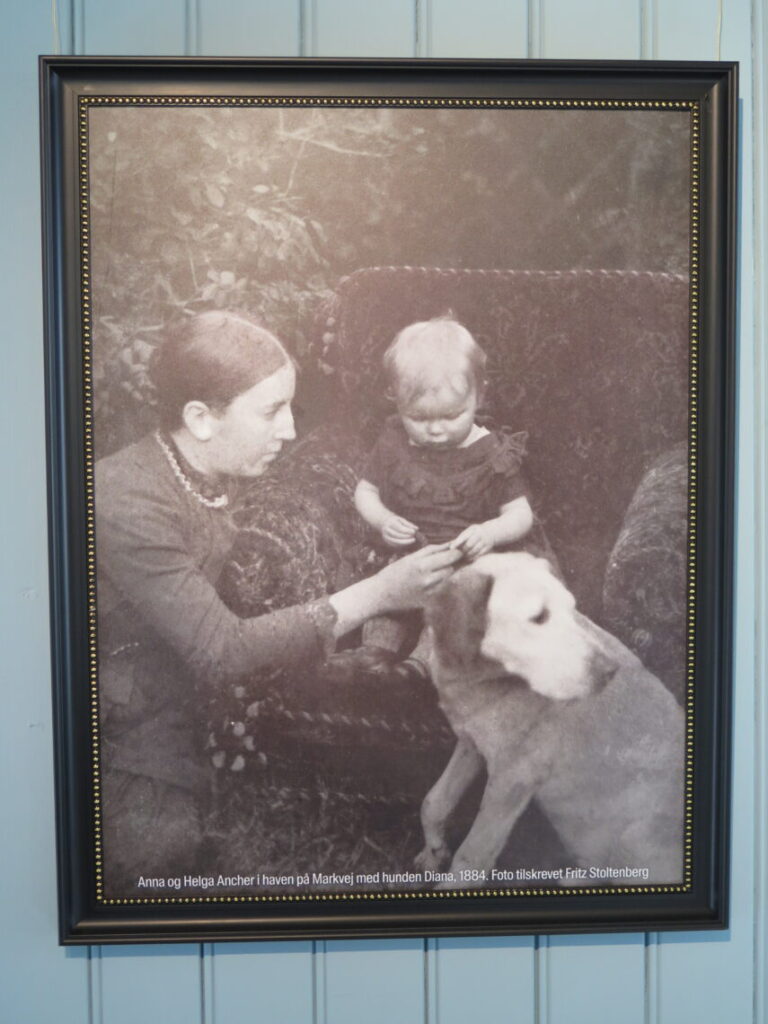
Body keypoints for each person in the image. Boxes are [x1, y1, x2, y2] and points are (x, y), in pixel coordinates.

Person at [95, 310, 460, 895]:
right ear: (201, 419)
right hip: (105, 712)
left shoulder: (207, 468)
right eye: (270, 411)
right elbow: (220, 649)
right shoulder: (125, 505)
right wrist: (382, 592)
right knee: (156, 855)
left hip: (165, 692)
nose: (289, 430)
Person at [325, 316, 551, 684]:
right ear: (395, 399)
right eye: (418, 417)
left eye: (451, 415)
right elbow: (365, 490)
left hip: (465, 560)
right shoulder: (394, 442)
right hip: (408, 556)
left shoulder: (491, 452)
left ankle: (418, 667)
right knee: (388, 603)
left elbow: (521, 514)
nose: (435, 429)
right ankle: (374, 655)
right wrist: (383, 519)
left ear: (480, 395)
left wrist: (489, 532)